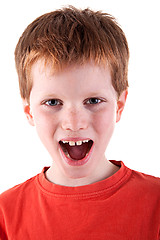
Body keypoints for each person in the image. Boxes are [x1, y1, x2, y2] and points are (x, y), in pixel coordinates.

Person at [0, 6, 159, 239]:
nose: (74, 123)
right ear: (29, 111)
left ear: (120, 106)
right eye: (53, 102)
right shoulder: (6, 214)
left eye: (93, 100)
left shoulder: (156, 205)